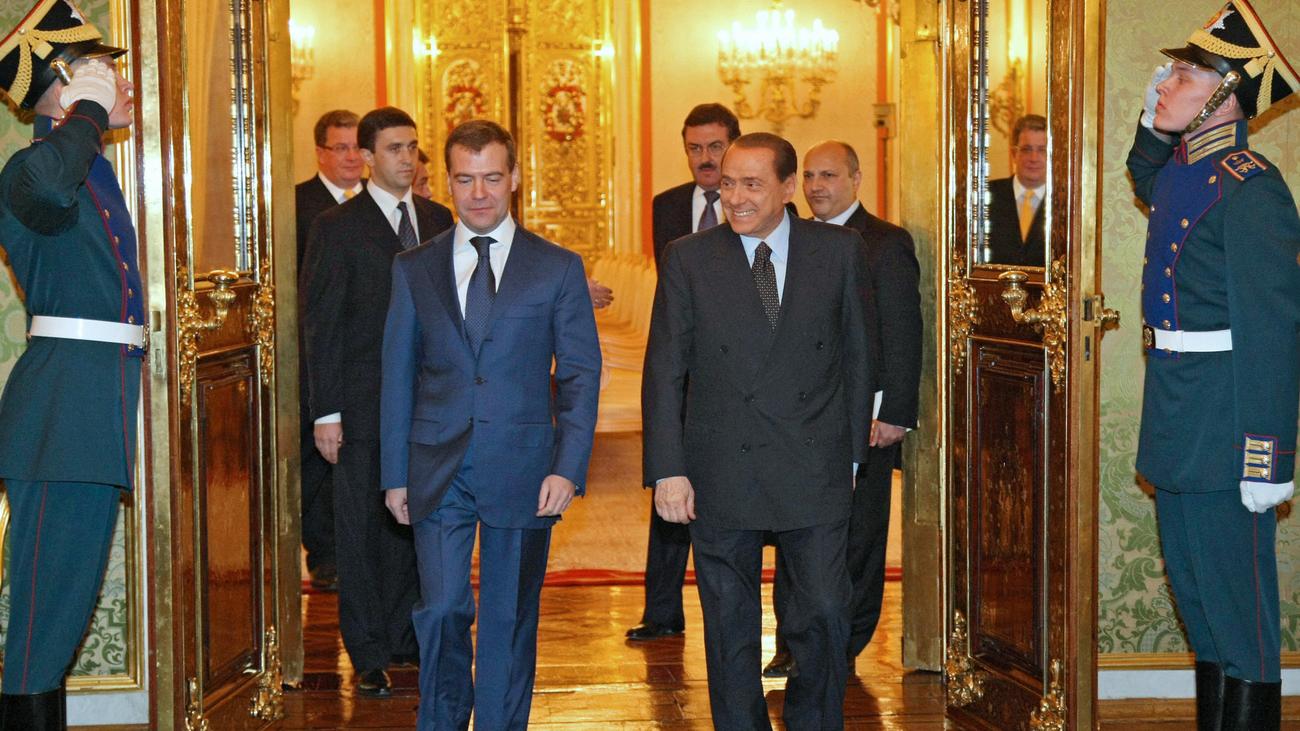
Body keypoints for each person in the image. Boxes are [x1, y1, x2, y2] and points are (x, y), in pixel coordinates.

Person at [642, 132, 875, 729]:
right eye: (727, 184)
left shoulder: (839, 250)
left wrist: (852, 457)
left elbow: (859, 356)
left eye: (752, 184)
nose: (736, 198)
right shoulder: (689, 257)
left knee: (824, 611)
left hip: (815, 462)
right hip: (722, 463)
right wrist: (668, 470)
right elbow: (664, 370)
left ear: (789, 187)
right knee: (728, 623)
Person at [380, 119, 601, 730]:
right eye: (465, 179)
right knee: (442, 609)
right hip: (435, 465)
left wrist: (568, 467)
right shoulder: (414, 267)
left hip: (525, 466)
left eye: (492, 178)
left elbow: (580, 375)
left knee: (508, 618)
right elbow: (397, 375)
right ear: (445, 181)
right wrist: (394, 474)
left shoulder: (557, 267)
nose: (478, 193)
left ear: (515, 178)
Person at [1127, 1, 1299, 728]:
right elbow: (1144, 173)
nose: (1165, 82)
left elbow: (1273, 334)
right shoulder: (1185, 170)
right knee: (1198, 603)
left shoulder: (1252, 188)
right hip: (1176, 414)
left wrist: (1267, 458)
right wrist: (1152, 121)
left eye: (1186, 75)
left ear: (1227, 94)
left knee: (1238, 615)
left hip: (1227, 425)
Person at [0, 2, 140, 726]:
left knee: (62, 612)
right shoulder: (32, 170)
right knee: (43, 620)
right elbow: (50, 188)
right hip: (62, 413)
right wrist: (87, 105)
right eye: (101, 71)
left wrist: (86, 102)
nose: (122, 84)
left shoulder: (93, 170)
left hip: (89, 405)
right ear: (64, 87)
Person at [300, 106, 454, 698]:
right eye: (394, 148)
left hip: (429, 403)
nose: (407, 158)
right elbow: (322, 323)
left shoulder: (439, 219)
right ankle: (365, 651)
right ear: (366, 157)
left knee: (418, 522)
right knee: (361, 527)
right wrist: (326, 411)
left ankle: (405, 638)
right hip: (362, 404)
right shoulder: (337, 226)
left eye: (412, 147)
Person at [758, 140, 921, 678]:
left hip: (866, 417)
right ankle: (792, 641)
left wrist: (895, 411)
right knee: (796, 530)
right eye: (808, 176)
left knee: (859, 537)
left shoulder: (885, 243)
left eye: (828, 175)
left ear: (856, 179)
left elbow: (902, 332)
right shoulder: (793, 238)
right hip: (804, 418)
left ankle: (844, 646)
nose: (816, 186)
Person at [295, 108, 365, 592]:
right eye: (340, 148)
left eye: (357, 148)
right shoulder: (297, 203)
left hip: (367, 353)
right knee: (319, 458)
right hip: (315, 351)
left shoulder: (378, 202)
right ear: (320, 152)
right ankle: (324, 555)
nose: (351, 157)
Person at [986, 114, 1047, 267]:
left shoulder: (1065, 202)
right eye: (1026, 149)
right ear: (1014, 154)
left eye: (1042, 150)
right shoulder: (986, 195)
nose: (1034, 158)